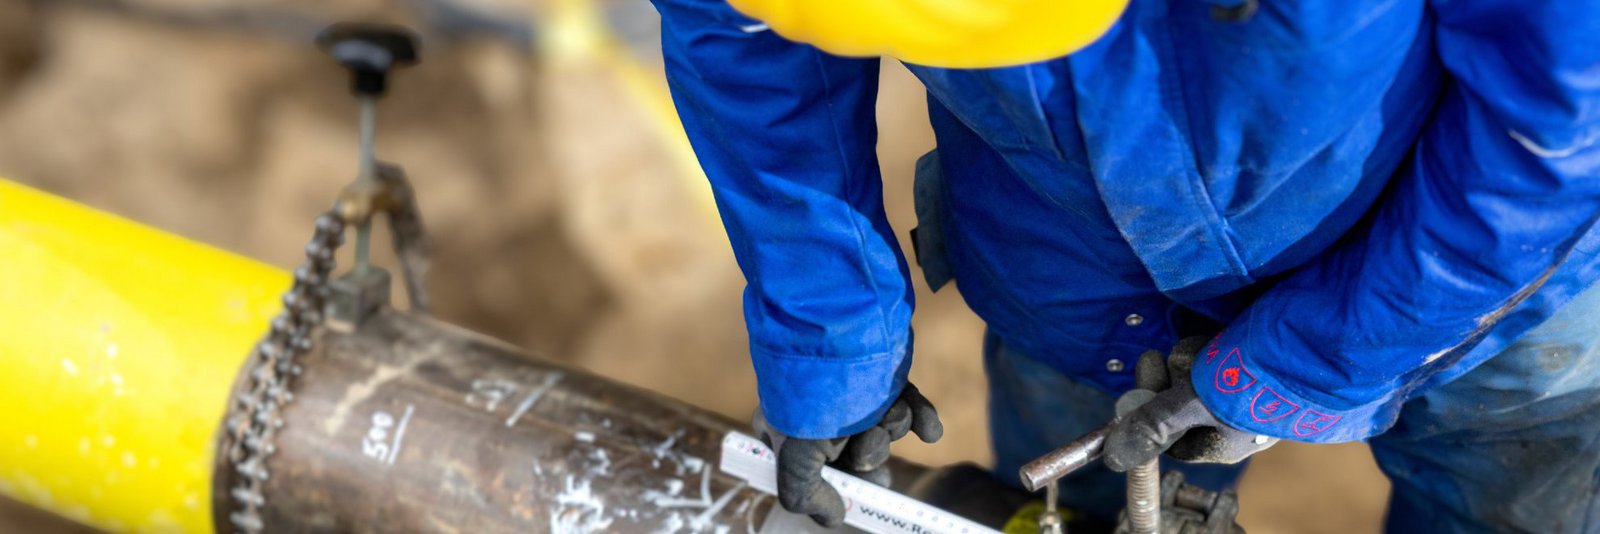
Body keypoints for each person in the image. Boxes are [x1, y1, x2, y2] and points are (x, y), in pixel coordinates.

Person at [648, 0, 1600, 531]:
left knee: (1508, 510)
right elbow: (746, 48)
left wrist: (1312, 364)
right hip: (1065, 274)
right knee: (1081, 504)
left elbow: (1557, 141)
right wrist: (832, 340)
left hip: (1469, 282)